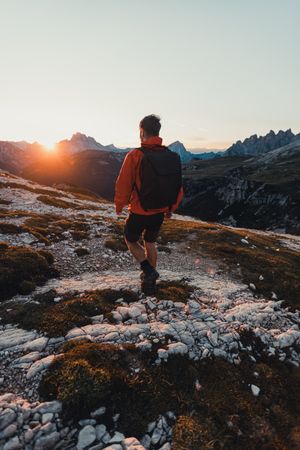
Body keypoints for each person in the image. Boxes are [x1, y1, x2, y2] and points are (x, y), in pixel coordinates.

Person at [114, 114, 183, 294]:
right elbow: (177, 186)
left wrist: (119, 204)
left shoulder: (135, 155)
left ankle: (149, 271)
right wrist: (170, 208)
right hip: (160, 210)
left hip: (139, 210)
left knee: (130, 239)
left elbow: (124, 183)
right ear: (158, 132)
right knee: (150, 242)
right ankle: (149, 284)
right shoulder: (171, 156)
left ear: (142, 132)